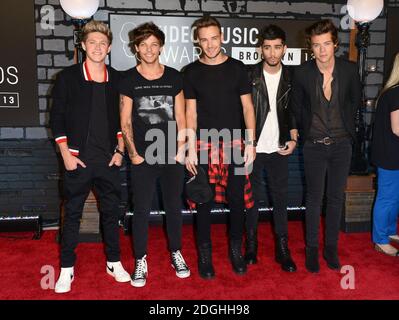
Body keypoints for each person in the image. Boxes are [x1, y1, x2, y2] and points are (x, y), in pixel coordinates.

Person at [50, 20, 130, 293]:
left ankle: (114, 262)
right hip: (77, 160)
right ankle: (66, 269)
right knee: (72, 215)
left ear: (109, 48)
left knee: (111, 214)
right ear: (83, 45)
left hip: (108, 161)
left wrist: (120, 151)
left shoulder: (118, 79)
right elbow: (57, 118)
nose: (97, 47)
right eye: (92, 42)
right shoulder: (68, 78)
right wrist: (66, 156)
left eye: (102, 43)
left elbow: (123, 120)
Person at [184, 16, 256, 279]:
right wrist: (190, 148)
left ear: (222, 37)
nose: (210, 44)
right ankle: (205, 256)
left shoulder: (237, 68)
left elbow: (248, 108)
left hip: (235, 143)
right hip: (203, 145)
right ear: (198, 41)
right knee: (203, 201)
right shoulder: (190, 72)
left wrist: (251, 142)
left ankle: (236, 252)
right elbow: (190, 114)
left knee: (237, 201)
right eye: (204, 39)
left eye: (214, 38)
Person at [119, 22, 190, 287]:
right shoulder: (128, 79)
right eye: (143, 45)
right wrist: (134, 155)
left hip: (172, 156)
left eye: (154, 44)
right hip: (143, 159)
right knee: (141, 211)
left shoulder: (174, 77)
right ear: (136, 49)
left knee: (174, 207)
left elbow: (182, 117)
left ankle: (176, 253)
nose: (149, 49)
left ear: (161, 46)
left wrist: (182, 151)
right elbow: (125, 121)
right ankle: (140, 259)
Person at [291, 19, 361, 273]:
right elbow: (296, 107)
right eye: (317, 45)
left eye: (326, 44)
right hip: (314, 145)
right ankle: (311, 249)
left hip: (342, 145)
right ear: (311, 47)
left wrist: (348, 131)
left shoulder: (350, 70)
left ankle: (330, 248)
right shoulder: (302, 73)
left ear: (335, 45)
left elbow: (355, 101)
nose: (322, 50)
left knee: (334, 199)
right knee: (313, 198)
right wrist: (297, 130)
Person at [245, 25, 298, 272]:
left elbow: (295, 111)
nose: (273, 52)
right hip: (253, 149)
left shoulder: (291, 76)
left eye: (277, 47)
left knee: (280, 200)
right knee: (250, 201)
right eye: (268, 47)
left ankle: (282, 249)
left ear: (284, 48)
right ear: (260, 49)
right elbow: (241, 111)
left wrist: (294, 138)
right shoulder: (249, 75)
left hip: (279, 149)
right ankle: (251, 247)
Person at [371, 52, 399, 257]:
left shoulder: (391, 91)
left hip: (392, 154)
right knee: (387, 198)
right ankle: (380, 240)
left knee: (394, 197)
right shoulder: (396, 93)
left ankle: (389, 231)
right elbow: (398, 128)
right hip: (390, 155)